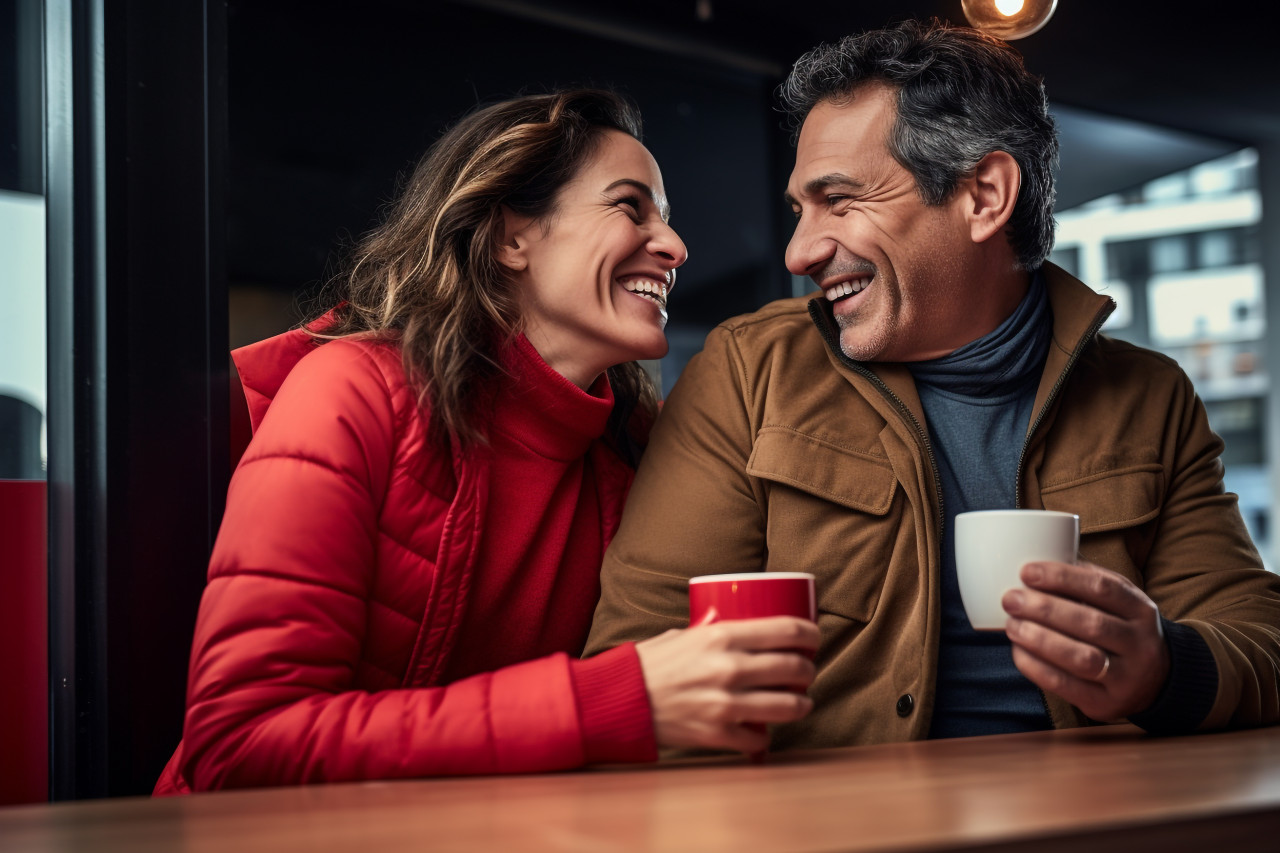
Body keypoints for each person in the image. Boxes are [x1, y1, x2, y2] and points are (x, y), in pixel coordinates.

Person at [585, 21, 1280, 748]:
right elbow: (633, 663)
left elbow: (1260, 641)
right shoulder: (745, 375)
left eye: (840, 200)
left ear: (984, 196)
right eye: (799, 210)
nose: (799, 252)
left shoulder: (1151, 397)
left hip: (1101, 799)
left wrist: (1166, 669)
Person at [154, 89, 818, 794]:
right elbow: (240, 743)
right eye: (631, 207)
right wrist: (609, 701)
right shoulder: (353, 392)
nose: (676, 247)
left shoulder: (635, 446)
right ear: (511, 238)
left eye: (668, 219)